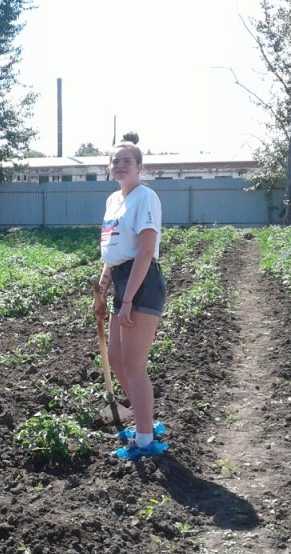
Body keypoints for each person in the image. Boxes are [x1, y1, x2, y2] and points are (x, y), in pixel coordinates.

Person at [94, 132, 168, 460]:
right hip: (121, 280)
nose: (120, 165)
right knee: (116, 360)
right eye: (115, 161)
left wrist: (127, 301)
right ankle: (144, 421)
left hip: (142, 281)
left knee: (134, 365)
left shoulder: (145, 197)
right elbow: (113, 251)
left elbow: (145, 251)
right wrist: (103, 289)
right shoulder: (114, 200)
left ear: (139, 166)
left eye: (127, 161)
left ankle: (145, 439)